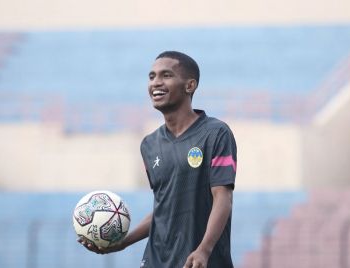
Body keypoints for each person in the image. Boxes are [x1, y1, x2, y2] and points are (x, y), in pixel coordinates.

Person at [78, 51, 237, 268]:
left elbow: (223, 198)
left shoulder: (216, 133)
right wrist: (123, 243)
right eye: (152, 76)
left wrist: (204, 249)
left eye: (166, 75)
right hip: (156, 260)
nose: (156, 83)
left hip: (201, 261)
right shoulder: (149, 145)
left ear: (190, 86)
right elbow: (164, 206)